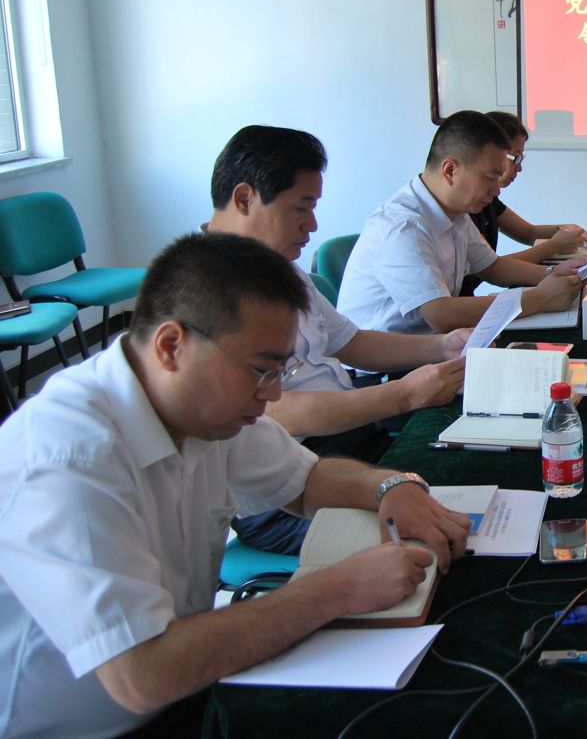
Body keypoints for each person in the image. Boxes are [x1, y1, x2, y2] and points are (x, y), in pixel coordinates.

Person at [0, 233, 473, 739]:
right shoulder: (69, 461)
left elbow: (307, 479)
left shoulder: (197, 403)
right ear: (171, 346)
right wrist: (337, 589)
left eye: (282, 370)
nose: (274, 393)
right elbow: (141, 675)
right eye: (261, 370)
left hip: (188, 685)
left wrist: (391, 485)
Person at [205, 125, 470, 553]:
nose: (312, 225)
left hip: (345, 447)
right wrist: (404, 394)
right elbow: (277, 414)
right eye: (301, 207)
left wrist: (442, 346)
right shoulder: (208, 292)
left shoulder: (278, 267)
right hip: (281, 495)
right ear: (244, 199)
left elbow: (352, 342)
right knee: (434, 541)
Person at [337, 110, 584, 335]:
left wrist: (553, 274)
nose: (496, 190)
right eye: (490, 178)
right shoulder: (403, 227)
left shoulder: (456, 213)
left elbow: (492, 267)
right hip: (392, 362)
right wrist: (538, 299)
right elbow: (442, 315)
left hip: (434, 346)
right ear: (450, 170)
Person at [462, 111, 587, 295]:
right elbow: (493, 269)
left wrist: (569, 232)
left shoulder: (485, 201)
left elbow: (527, 233)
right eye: (516, 158)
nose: (519, 168)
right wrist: (553, 248)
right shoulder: (461, 210)